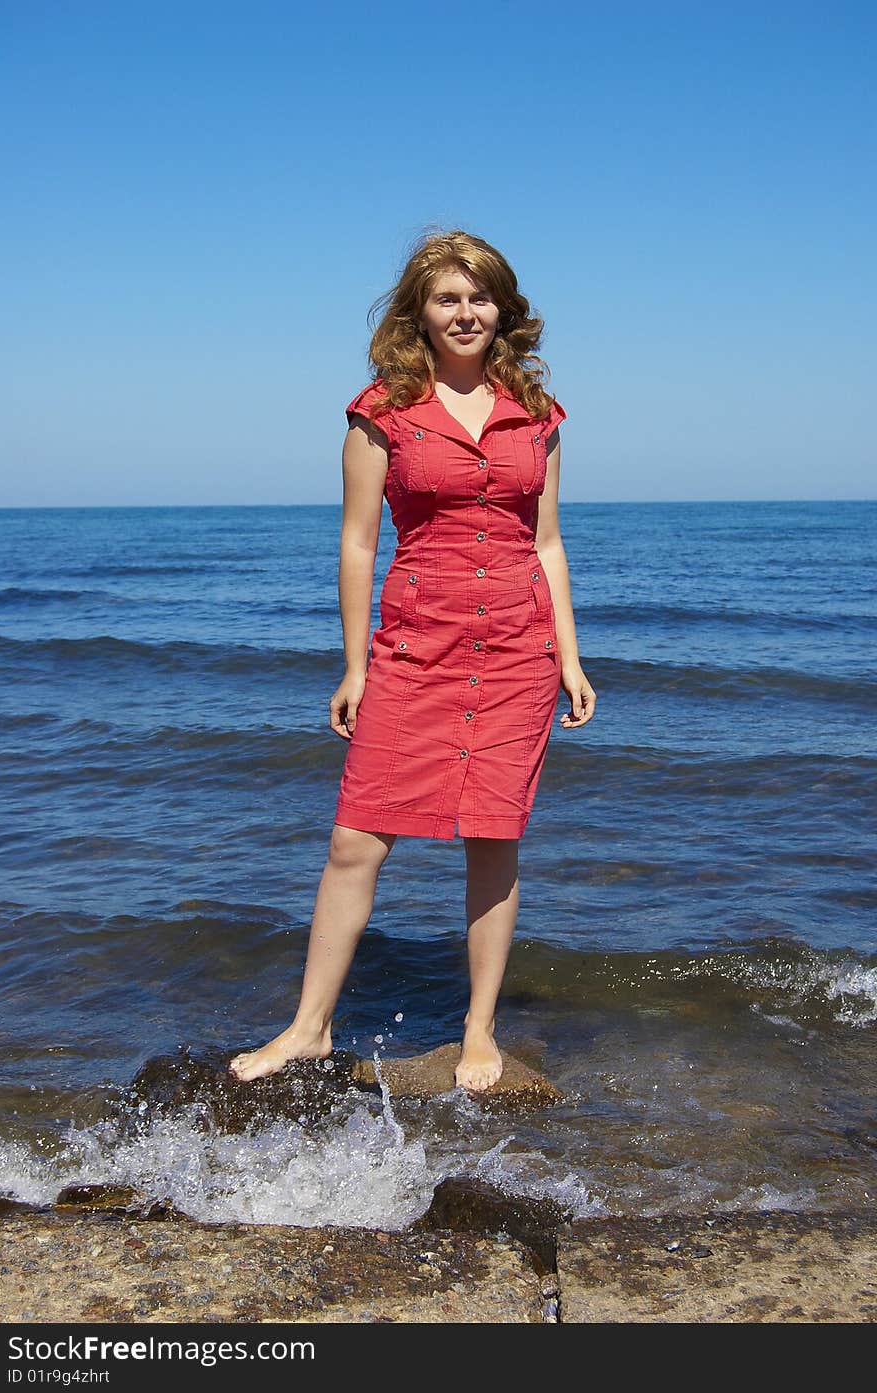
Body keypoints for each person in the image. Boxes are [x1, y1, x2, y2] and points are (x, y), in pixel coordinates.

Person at [229, 229, 596, 1092]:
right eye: (447, 299)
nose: (465, 313)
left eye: (479, 298)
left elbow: (547, 544)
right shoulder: (380, 413)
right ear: (420, 313)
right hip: (416, 643)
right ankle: (309, 1028)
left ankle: (478, 1032)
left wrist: (571, 659)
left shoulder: (538, 416)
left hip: (516, 648)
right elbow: (357, 544)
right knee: (357, 837)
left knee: (494, 837)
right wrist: (355, 665)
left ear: (502, 308)